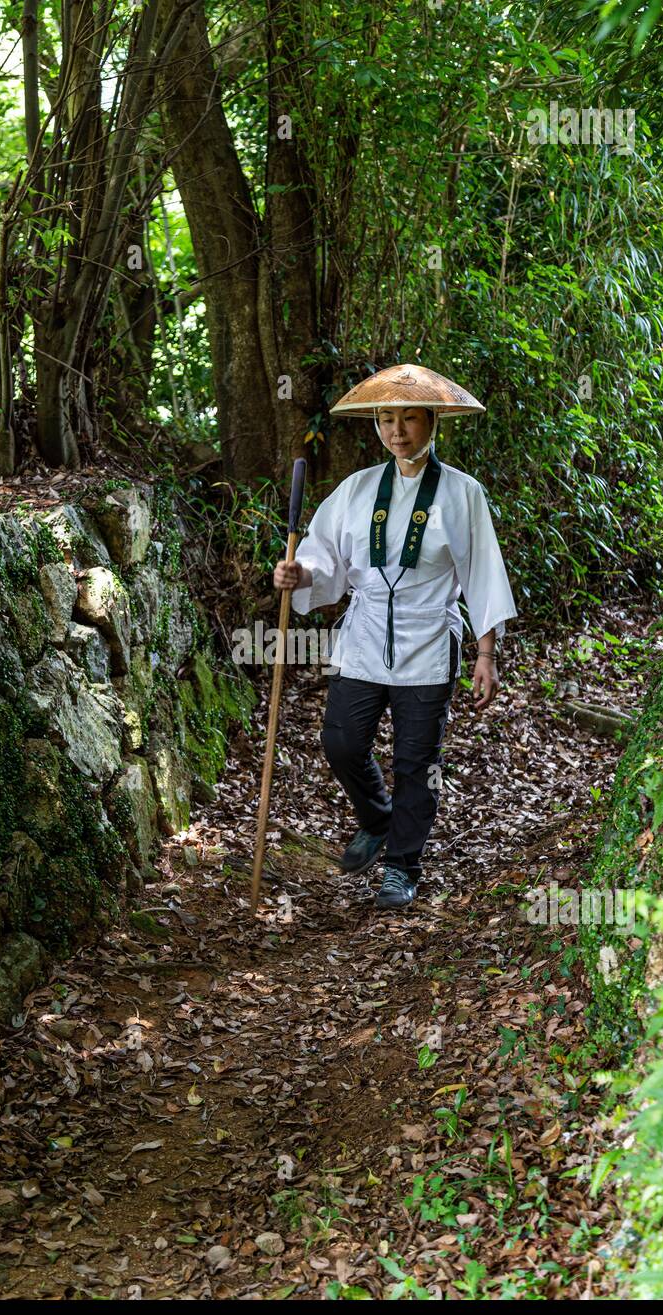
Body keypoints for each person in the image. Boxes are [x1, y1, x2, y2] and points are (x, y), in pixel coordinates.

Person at [273, 364, 518, 909]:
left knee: (416, 762)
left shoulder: (462, 494)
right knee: (340, 741)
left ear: (432, 421)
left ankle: (402, 867)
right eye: (386, 419)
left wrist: (485, 654)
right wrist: (301, 574)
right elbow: (323, 553)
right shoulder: (357, 490)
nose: (397, 431)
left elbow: (482, 573)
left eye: (409, 418)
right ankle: (377, 816)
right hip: (364, 635)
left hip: (429, 639)